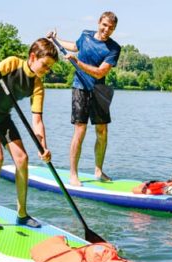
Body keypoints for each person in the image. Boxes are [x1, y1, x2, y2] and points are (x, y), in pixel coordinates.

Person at [0, 38, 58, 229]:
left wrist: (43, 147)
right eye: (44, 65)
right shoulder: (12, 63)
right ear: (33, 57)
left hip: (3, 116)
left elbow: (37, 121)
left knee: (22, 158)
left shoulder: (37, 86)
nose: (46, 71)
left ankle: (22, 214)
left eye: (49, 68)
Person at [47, 11, 121, 186]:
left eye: (111, 28)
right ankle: (73, 174)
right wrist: (55, 41)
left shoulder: (114, 48)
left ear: (114, 29)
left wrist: (77, 63)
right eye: (104, 25)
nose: (106, 30)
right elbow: (74, 46)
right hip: (80, 88)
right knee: (80, 131)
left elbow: (100, 72)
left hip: (99, 89)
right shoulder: (86, 35)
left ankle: (98, 170)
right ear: (99, 22)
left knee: (102, 132)